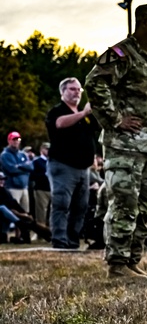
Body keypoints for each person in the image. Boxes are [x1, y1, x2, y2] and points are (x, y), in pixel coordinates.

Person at [85, 4, 147, 279]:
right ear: (145, 23)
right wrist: (115, 119)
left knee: (146, 209)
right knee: (124, 204)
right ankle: (117, 264)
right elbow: (95, 83)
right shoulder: (122, 54)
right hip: (124, 146)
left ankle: (133, 260)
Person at [45, 77, 102, 249]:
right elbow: (59, 124)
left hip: (83, 168)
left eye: (79, 90)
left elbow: (96, 131)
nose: (76, 92)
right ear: (63, 91)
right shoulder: (57, 111)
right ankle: (59, 239)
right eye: (72, 89)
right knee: (61, 203)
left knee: (81, 206)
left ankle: (72, 239)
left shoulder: (85, 117)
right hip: (63, 165)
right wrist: (83, 113)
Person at [2, 132, 34, 213]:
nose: (16, 141)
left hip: (24, 188)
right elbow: (11, 170)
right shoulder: (5, 155)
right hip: (12, 187)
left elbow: (31, 167)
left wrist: (18, 166)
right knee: (15, 212)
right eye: (14, 139)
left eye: (18, 139)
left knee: (25, 212)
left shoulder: (23, 154)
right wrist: (24, 168)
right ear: (9, 141)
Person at [31, 143, 51, 225]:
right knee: (41, 210)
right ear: (41, 150)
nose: (48, 151)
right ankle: (41, 228)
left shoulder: (51, 161)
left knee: (51, 210)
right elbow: (32, 175)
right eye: (46, 149)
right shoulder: (36, 161)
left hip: (51, 188)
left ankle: (51, 228)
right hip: (41, 189)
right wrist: (44, 175)